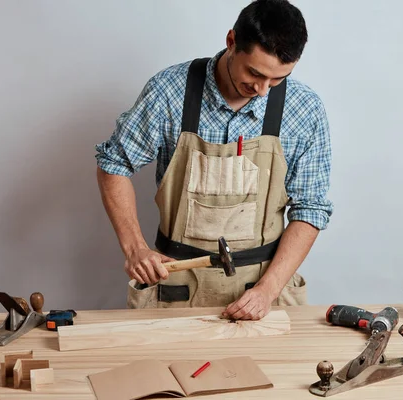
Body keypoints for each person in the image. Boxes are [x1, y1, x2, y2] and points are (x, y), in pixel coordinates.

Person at [95, 0, 333, 320]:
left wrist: (268, 290)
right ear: (231, 42)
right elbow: (114, 164)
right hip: (176, 283)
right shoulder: (170, 91)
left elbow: (311, 208)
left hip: (264, 288)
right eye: (254, 73)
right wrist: (135, 247)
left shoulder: (303, 109)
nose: (263, 91)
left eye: (277, 80)